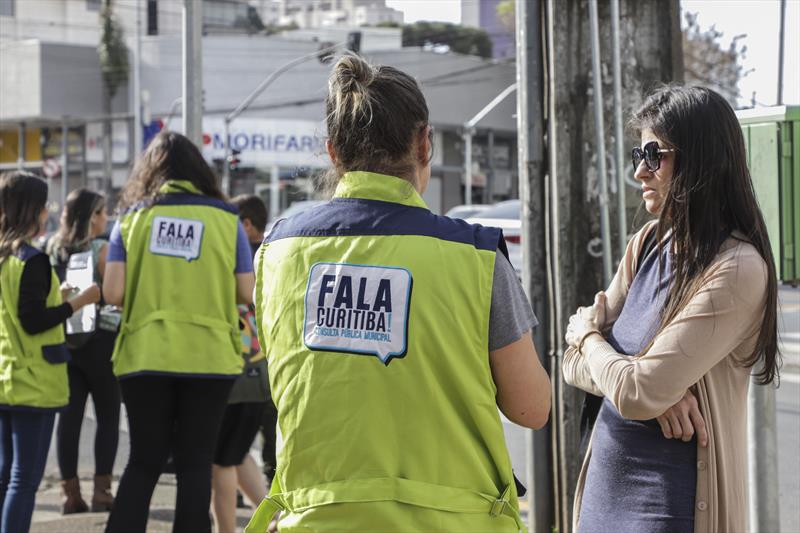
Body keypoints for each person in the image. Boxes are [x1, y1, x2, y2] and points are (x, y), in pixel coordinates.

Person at [246, 54, 551, 533]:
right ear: (424, 142)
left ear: (333, 152)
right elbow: (531, 408)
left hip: (318, 520)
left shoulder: (277, 252)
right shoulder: (474, 255)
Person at [562, 86, 779, 533]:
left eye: (654, 155)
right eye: (638, 154)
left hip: (667, 513)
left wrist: (589, 337)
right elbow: (570, 364)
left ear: (701, 161)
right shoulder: (647, 243)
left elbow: (631, 386)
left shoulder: (737, 268)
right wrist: (656, 393)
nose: (640, 171)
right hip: (601, 503)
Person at [102, 131, 255, 533]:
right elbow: (246, 291)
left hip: (145, 354)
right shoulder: (227, 220)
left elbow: (112, 292)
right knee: (195, 464)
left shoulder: (131, 219)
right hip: (209, 356)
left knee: (143, 461)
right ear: (198, 171)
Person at [0, 171, 100, 533]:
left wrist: (56, 297)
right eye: (45, 206)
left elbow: (16, 311)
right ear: (34, 210)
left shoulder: (5, 257)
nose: (48, 212)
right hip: (35, 381)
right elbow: (33, 321)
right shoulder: (33, 260)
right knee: (23, 479)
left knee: (5, 474)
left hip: (6, 377)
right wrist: (78, 303)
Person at [47, 188, 121, 514]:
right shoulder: (102, 249)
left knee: (69, 420)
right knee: (107, 416)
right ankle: (102, 493)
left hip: (65, 338)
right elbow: (115, 294)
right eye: (102, 212)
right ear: (92, 217)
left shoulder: (53, 248)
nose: (106, 218)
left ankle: (70, 495)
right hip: (101, 340)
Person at [211, 194, 271, 532]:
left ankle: (227, 530)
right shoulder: (269, 255)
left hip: (231, 372)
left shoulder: (231, 257)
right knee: (236, 453)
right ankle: (273, 519)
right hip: (259, 370)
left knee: (220, 461)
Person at [230, 194, 279, 484]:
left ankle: (233, 488)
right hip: (272, 356)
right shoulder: (276, 252)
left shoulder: (238, 256)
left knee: (233, 440)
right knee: (272, 433)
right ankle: (273, 493)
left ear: (246, 224)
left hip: (242, 358)